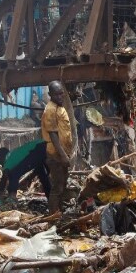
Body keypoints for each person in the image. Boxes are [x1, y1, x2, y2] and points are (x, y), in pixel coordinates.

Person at [41, 80, 74, 213]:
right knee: (58, 187)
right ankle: (53, 215)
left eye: (62, 94)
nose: (60, 97)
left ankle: (58, 211)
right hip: (55, 154)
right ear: (50, 95)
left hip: (61, 154)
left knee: (62, 184)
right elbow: (53, 135)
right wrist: (63, 156)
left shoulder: (59, 107)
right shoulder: (50, 109)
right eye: (57, 95)